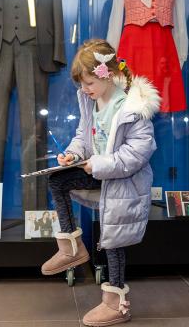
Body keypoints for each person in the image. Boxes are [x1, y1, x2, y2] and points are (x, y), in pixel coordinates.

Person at [41, 39, 160, 326]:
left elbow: (138, 153)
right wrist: (72, 154)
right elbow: (84, 135)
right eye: (82, 84)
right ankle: (72, 247)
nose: (84, 89)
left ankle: (116, 303)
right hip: (100, 171)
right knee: (57, 179)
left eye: (89, 83)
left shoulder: (132, 106)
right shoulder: (92, 100)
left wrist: (100, 164)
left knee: (114, 239)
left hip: (124, 181)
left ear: (105, 75)